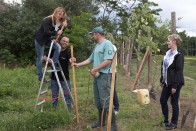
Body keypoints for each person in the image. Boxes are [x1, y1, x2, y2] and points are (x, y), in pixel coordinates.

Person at [73, 27, 117, 130]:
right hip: (97, 76)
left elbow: (108, 60)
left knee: (105, 100)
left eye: (93, 34)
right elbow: (90, 59)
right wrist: (78, 64)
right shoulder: (97, 46)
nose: (92, 36)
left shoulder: (107, 44)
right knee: (98, 100)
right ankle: (101, 122)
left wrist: (95, 69)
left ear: (97, 34)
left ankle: (113, 124)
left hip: (105, 75)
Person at [35, 7, 67, 81]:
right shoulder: (47, 20)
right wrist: (56, 32)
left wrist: (64, 26)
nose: (60, 16)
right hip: (40, 39)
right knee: (40, 57)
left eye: (62, 15)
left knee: (58, 47)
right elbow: (47, 31)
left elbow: (60, 32)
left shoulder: (59, 22)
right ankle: (40, 76)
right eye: (59, 14)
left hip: (48, 39)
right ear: (55, 13)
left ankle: (54, 65)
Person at [160, 34, 184, 130]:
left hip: (175, 83)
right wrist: (162, 80)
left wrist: (174, 86)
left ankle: (174, 123)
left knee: (174, 102)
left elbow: (179, 72)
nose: (167, 42)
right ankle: (165, 121)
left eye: (168, 40)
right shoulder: (167, 54)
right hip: (166, 82)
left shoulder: (178, 56)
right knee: (162, 100)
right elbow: (164, 68)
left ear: (174, 41)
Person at [43, 37, 73, 109]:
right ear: (60, 41)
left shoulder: (68, 52)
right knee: (54, 94)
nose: (65, 42)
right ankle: (54, 107)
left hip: (64, 77)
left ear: (68, 43)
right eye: (63, 41)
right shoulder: (54, 49)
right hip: (54, 77)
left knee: (67, 93)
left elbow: (71, 60)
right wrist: (49, 60)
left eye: (66, 42)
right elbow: (45, 57)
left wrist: (72, 60)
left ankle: (69, 106)